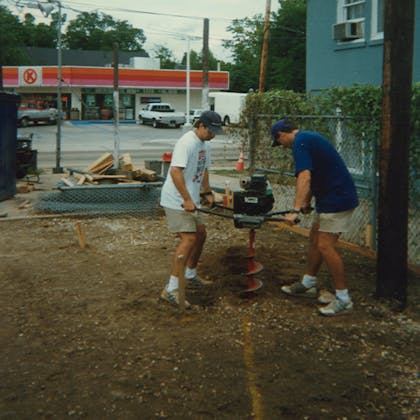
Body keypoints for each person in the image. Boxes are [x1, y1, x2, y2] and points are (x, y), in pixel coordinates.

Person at [271, 119, 359, 316]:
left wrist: (295, 210)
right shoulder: (307, 138)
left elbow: (305, 176)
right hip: (329, 197)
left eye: (280, 142)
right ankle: (308, 284)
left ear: (282, 134)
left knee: (325, 246)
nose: (283, 147)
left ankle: (344, 299)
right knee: (315, 238)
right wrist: (305, 203)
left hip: (337, 199)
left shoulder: (300, 142)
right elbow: (314, 175)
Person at [160, 110, 223, 307]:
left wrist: (207, 193)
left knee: (201, 234)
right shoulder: (187, 142)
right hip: (176, 199)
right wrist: (187, 198)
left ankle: (189, 274)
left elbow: (203, 170)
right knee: (189, 238)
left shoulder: (205, 145)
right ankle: (171, 289)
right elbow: (175, 171)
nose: (213, 134)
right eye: (210, 130)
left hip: (192, 200)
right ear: (201, 125)